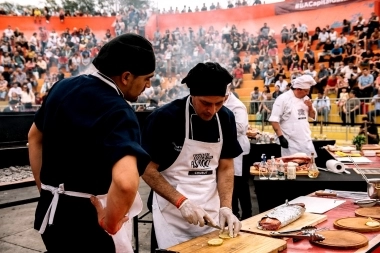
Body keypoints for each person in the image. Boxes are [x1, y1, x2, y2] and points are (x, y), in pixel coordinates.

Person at [27, 34, 155, 253]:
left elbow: (34, 137)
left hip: (50, 216)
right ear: (126, 77)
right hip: (89, 224)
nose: (148, 84)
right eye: (147, 78)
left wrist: (44, 188)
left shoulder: (62, 88)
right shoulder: (119, 111)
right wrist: (111, 223)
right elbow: (125, 183)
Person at [141, 62, 242, 250]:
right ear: (192, 94)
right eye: (205, 103)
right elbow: (146, 169)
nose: (212, 111)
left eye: (219, 103)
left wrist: (226, 206)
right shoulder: (165, 118)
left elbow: (226, 166)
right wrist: (182, 202)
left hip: (211, 211)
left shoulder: (226, 118)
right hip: (172, 214)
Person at [269, 75, 317, 157]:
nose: (307, 93)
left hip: (306, 140)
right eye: (306, 91)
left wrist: (310, 106)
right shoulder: (283, 99)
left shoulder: (306, 98)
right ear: (298, 89)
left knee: (310, 166)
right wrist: (281, 137)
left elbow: (312, 116)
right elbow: (274, 120)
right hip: (291, 142)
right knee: (292, 167)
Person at [223, 85, 251, 221]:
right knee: (229, 185)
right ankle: (234, 213)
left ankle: (247, 214)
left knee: (240, 186)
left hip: (240, 151)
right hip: (226, 148)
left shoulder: (237, 106)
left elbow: (241, 127)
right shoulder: (223, 103)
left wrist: (221, 123)